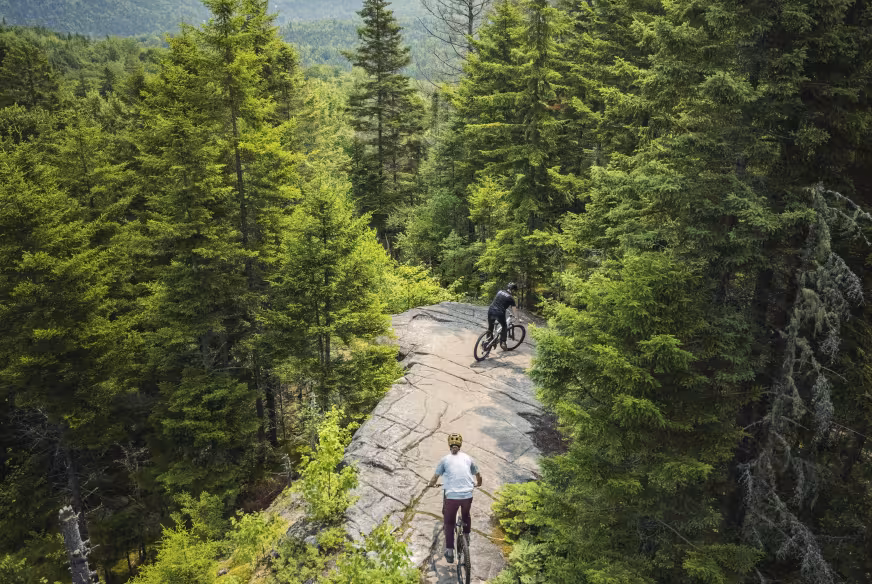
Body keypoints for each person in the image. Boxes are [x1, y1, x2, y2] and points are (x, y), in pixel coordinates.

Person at [428, 433, 482, 563]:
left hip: (452, 496)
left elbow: (435, 477)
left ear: (449, 445)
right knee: (466, 515)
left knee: (449, 522)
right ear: (460, 445)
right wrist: (478, 484)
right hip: (468, 495)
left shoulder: (445, 459)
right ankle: (467, 536)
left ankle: (450, 551)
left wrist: (431, 484)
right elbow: (478, 474)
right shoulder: (468, 458)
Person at [487, 282, 518, 350]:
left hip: (491, 310)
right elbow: (514, 309)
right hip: (499, 313)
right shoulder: (511, 298)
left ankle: (488, 341)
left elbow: (499, 301)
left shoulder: (500, 292)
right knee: (504, 326)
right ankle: (503, 343)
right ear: (513, 290)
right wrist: (516, 316)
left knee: (490, 327)